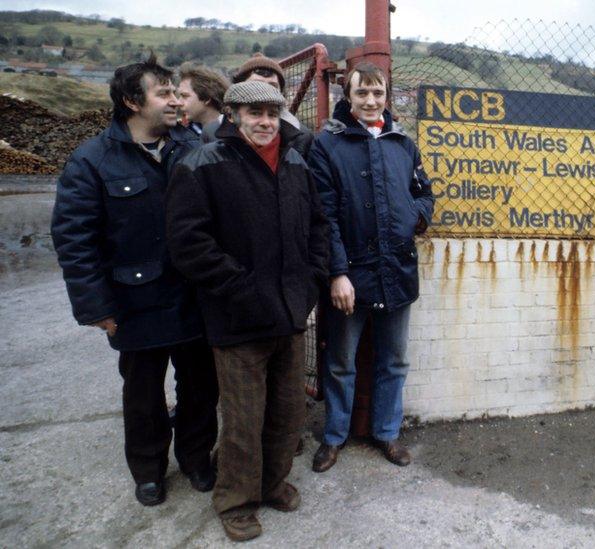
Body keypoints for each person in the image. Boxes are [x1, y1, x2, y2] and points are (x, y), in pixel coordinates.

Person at [50, 53, 217, 506]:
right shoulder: (92, 161)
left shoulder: (193, 146)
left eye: (174, 92)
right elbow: (74, 239)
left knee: (201, 386)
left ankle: (198, 458)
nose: (173, 100)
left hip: (194, 297)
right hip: (134, 301)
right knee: (143, 395)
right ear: (131, 102)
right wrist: (96, 307)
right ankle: (148, 469)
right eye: (162, 93)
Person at [166, 81, 329, 542]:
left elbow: (318, 226)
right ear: (233, 114)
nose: (265, 121)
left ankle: (273, 483)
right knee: (242, 418)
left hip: (289, 314)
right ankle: (236, 500)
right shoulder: (202, 164)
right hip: (237, 319)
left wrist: (310, 283)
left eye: (272, 113)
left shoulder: (295, 162)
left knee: (287, 411)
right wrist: (242, 289)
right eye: (255, 113)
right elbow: (189, 245)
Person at [307, 62, 434, 472]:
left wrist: (413, 216)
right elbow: (323, 215)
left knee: (394, 360)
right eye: (362, 93)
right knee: (341, 361)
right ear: (349, 95)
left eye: (378, 93)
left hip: (396, 269)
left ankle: (387, 433)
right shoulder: (327, 145)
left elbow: (424, 193)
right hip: (352, 274)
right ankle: (333, 437)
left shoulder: (402, 142)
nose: (370, 101)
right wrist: (337, 273)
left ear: (386, 96)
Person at [201, 53, 313, 157]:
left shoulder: (302, 136)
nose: (264, 92)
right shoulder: (211, 131)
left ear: (281, 93)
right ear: (238, 89)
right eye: (255, 85)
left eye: (272, 86)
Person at [177, 63, 229, 135]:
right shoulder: (184, 135)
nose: (178, 102)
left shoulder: (236, 133)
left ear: (206, 98)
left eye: (185, 96)